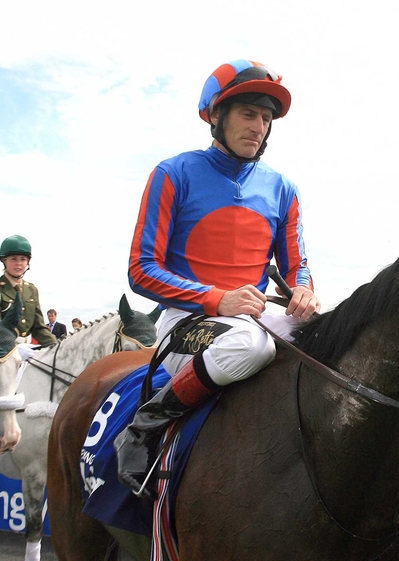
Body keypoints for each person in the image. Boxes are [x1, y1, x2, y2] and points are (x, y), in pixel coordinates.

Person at [115, 59, 321, 498]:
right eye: (248, 114)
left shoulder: (283, 188)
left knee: (331, 337)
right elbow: (140, 270)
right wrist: (215, 298)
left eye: (266, 118)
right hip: (186, 322)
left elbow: (295, 264)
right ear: (216, 116)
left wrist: (303, 289)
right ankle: (147, 422)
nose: (259, 127)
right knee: (249, 344)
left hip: (253, 318)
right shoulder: (173, 173)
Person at [0, 235, 57, 352]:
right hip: (4, 350)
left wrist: (57, 346)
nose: (18, 263)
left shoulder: (31, 290)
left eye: (23, 259)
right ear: (4, 261)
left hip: (28, 349)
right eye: (13, 259)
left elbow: (39, 327)